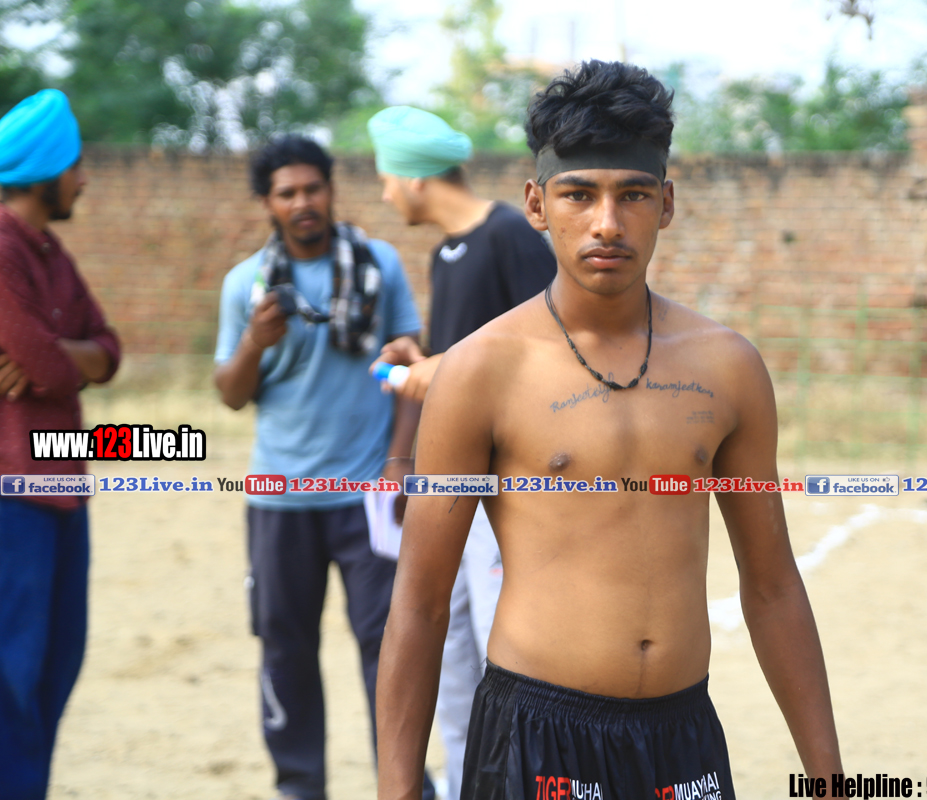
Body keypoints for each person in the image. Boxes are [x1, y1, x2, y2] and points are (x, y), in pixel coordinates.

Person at [374, 61, 843, 800]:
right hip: (536, 735)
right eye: (578, 194)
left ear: (667, 204)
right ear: (536, 204)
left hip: (683, 740)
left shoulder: (727, 367)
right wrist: (396, 791)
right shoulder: (481, 371)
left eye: (633, 195)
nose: (607, 223)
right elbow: (421, 602)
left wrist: (829, 779)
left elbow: (774, 585)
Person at [213, 135, 430, 800]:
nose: (302, 202)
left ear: (332, 190)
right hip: (279, 500)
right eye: (287, 193)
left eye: (313, 188)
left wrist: (399, 463)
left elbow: (411, 369)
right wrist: (255, 341)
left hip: (367, 494)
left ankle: (402, 784)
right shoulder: (246, 285)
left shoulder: (378, 264)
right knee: (285, 647)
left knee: (388, 645)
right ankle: (298, 786)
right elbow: (230, 393)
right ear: (267, 203)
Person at [367, 106, 558, 800]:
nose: (384, 192)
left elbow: (548, 352)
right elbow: (466, 361)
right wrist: (422, 360)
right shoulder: (445, 253)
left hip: (504, 496)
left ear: (415, 179)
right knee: (444, 658)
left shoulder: (509, 234)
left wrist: (441, 368)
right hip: (446, 492)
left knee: (501, 658)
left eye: (387, 177)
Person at [0, 89, 122, 800]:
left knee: (55, 668)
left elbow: (109, 350)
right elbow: (48, 365)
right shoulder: (2, 249)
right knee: (12, 676)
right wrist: (63, 356)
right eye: (75, 167)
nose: (83, 179)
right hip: (13, 495)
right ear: (47, 172)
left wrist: (62, 354)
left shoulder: (52, 254)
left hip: (63, 490)